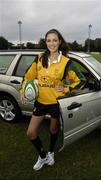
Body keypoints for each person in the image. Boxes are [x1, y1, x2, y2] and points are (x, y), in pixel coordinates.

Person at [20, 29, 86, 171]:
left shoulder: (66, 62)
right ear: (46, 42)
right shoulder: (39, 58)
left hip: (57, 103)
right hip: (41, 102)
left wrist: (66, 88)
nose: (52, 43)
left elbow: (81, 80)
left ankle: (50, 153)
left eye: (55, 40)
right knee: (31, 133)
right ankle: (42, 156)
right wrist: (22, 91)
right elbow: (28, 77)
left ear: (59, 42)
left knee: (53, 129)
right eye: (49, 40)